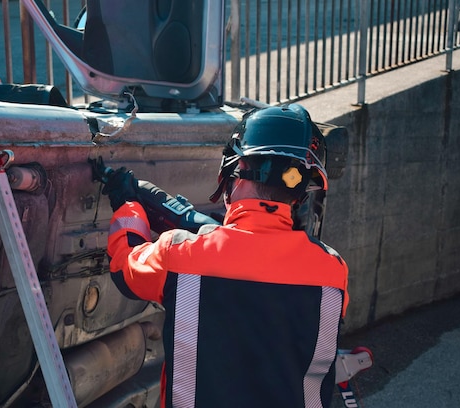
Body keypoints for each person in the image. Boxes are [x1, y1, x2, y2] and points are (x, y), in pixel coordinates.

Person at [101, 104, 349, 408]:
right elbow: (263, 279)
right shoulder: (332, 270)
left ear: (237, 171)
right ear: (299, 192)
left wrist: (128, 205)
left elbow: (124, 266)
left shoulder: (180, 254)